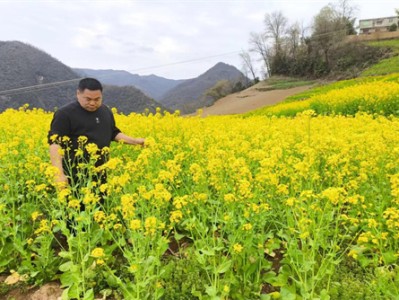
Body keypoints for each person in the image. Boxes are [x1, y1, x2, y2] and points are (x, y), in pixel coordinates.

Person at [48, 77, 145, 192]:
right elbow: (55, 144)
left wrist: (135, 141)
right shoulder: (65, 114)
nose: (93, 103)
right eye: (88, 99)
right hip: (74, 176)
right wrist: (59, 174)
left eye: (97, 99)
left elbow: (113, 133)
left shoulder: (105, 111)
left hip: (100, 174)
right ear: (78, 93)